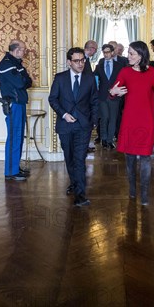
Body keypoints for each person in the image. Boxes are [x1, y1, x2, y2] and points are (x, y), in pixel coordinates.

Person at [109, 41, 154, 206]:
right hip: (129, 119)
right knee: (129, 158)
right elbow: (113, 91)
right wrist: (112, 92)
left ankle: (144, 194)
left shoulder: (152, 72)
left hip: (146, 120)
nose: (128, 57)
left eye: (132, 54)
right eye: (128, 53)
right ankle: (132, 190)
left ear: (141, 56)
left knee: (145, 158)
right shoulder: (125, 72)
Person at [49, 47, 99, 207]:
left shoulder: (90, 79)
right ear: (69, 62)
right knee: (69, 157)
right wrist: (64, 114)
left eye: (82, 60)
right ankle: (74, 182)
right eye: (76, 61)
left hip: (84, 126)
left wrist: (93, 122)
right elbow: (53, 99)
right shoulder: (60, 78)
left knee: (79, 159)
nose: (80, 64)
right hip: (65, 125)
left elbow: (94, 102)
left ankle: (80, 194)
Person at [0, 39, 33, 181]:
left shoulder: (16, 64)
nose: (25, 51)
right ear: (16, 50)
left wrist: (23, 80)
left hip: (20, 103)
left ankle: (15, 168)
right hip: (13, 104)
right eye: (23, 49)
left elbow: (29, 82)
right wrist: (23, 79)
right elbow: (20, 82)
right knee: (14, 137)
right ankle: (10, 172)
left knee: (18, 137)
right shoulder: (6, 63)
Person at [94, 44, 123, 149]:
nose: (106, 54)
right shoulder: (99, 66)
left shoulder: (119, 66)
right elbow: (95, 80)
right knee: (104, 118)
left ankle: (110, 140)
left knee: (113, 118)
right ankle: (104, 139)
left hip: (115, 96)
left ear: (112, 52)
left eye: (107, 52)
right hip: (102, 96)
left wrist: (120, 91)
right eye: (104, 52)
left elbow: (122, 80)